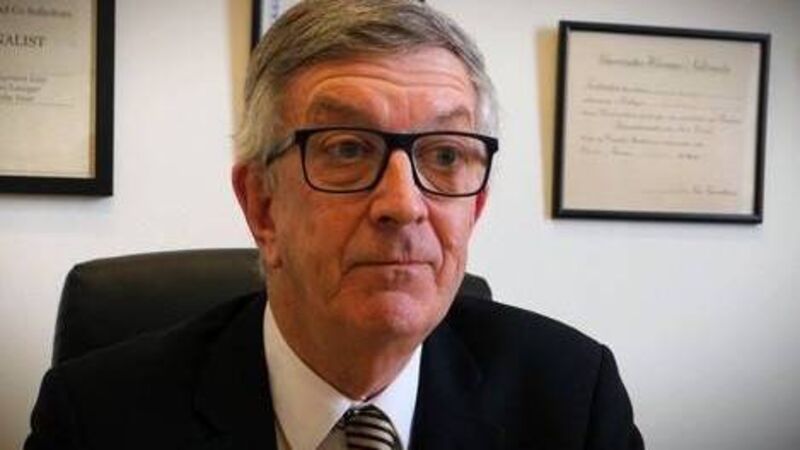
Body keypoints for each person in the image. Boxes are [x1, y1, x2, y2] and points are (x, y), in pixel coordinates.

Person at [25, 1, 644, 449]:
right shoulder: (97, 418)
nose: (404, 205)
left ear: (475, 208)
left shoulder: (571, 400)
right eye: (347, 149)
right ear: (262, 206)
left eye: (444, 155)